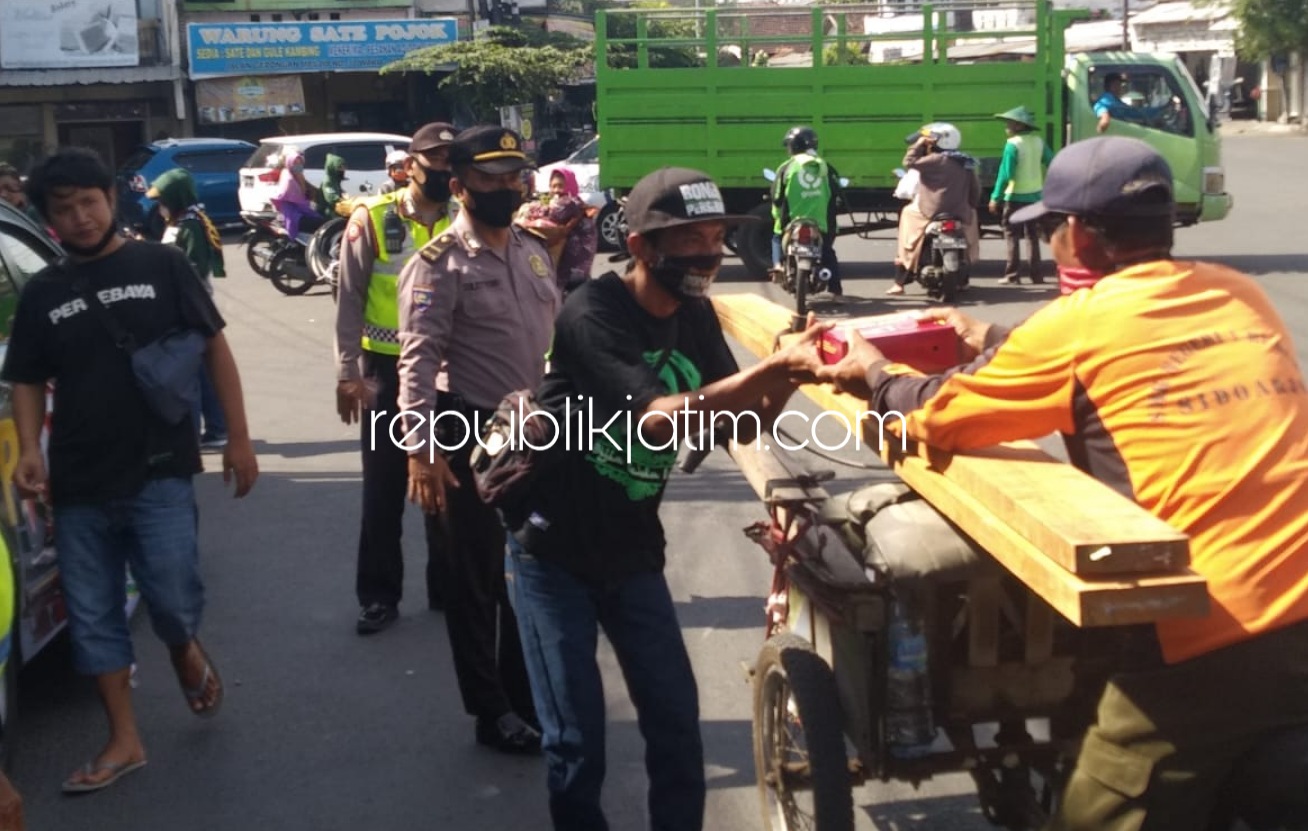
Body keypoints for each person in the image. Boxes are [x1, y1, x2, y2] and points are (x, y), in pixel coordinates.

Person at [814, 136, 1308, 831]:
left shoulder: (1075, 327)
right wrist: (992, 338)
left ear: (1074, 233)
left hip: (1211, 626)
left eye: (1051, 228)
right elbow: (1133, 359)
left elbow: (935, 415)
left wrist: (870, 369)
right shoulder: (1239, 295)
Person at [501, 166, 824, 830]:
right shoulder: (590, 312)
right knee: (576, 741)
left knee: (676, 725)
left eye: (715, 238)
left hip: (632, 551)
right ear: (644, 247)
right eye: (690, 240)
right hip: (552, 551)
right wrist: (773, 369)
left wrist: (794, 372)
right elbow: (658, 415)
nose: (709, 253)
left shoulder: (695, 313)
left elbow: (736, 419)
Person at [1, 148, 258, 793]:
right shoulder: (42, 290)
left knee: (171, 595)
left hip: (161, 469)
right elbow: (27, 377)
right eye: (64, 209)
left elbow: (213, 348)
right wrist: (32, 449)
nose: (81, 217)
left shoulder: (162, 264)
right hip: (79, 480)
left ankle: (181, 644)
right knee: (91, 616)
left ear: (111, 201)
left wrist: (239, 440)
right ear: (49, 219)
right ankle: (124, 740)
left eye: (90, 202)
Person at [397, 125, 556, 754]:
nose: (506, 187)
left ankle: (525, 696)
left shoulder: (533, 249)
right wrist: (421, 451)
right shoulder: (437, 264)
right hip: (464, 430)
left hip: (533, 430)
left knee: (533, 570)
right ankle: (491, 712)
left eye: (513, 175)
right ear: (459, 187)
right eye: (490, 178)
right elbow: (417, 361)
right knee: (475, 581)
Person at [336, 122, 459, 634]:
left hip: (449, 369)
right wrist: (347, 371)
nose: (445, 175)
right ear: (411, 165)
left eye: (453, 165)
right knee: (384, 485)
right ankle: (379, 595)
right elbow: (348, 298)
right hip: (385, 371)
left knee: (448, 479)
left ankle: (447, 586)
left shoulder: (462, 216)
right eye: (435, 165)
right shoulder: (374, 219)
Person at [146, 167, 229, 450]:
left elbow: (193, 268)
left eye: (163, 200)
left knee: (188, 372)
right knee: (202, 373)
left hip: (190, 308)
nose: (160, 207)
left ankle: (193, 437)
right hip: (180, 304)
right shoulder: (179, 221)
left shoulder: (192, 224)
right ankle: (217, 429)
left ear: (176, 198)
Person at [888, 122, 980, 295]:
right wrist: (970, 206)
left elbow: (909, 161)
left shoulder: (933, 160)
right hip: (959, 212)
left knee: (907, 217)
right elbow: (975, 190)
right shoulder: (965, 161)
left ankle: (901, 276)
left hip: (930, 212)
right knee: (971, 229)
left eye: (931, 141)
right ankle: (965, 278)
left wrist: (918, 144)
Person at [771, 125, 844, 298]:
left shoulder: (786, 168)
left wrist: (776, 215)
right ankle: (836, 291)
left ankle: (777, 266)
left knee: (776, 237)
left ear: (793, 146)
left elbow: (776, 196)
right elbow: (838, 195)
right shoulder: (826, 167)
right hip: (822, 223)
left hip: (791, 221)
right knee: (827, 251)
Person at [988, 106, 1053, 286]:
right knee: (1032, 236)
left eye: (1009, 123)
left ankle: (1012, 275)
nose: (1006, 127)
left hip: (1015, 196)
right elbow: (1051, 161)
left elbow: (1006, 174)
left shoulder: (1013, 144)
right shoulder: (1038, 142)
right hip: (1035, 197)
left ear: (1018, 126)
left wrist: (995, 197)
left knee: (1011, 236)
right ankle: (1036, 275)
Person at [515, 168, 598, 296]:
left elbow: (551, 212)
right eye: (553, 186)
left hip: (574, 271)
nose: (556, 190)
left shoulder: (572, 203)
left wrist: (528, 210)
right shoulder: (572, 205)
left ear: (570, 186)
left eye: (560, 186)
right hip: (573, 272)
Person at [271, 148, 321, 240]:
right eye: (296, 163)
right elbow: (302, 193)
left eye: (300, 163)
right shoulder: (292, 179)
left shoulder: (287, 173)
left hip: (294, 211)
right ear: (290, 163)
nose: (299, 166)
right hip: (294, 215)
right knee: (321, 223)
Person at [313, 153, 347, 217]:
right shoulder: (328, 182)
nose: (343, 169)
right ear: (332, 168)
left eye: (343, 167)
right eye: (340, 167)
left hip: (335, 209)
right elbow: (331, 199)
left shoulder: (335, 180)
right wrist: (344, 201)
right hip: (328, 212)